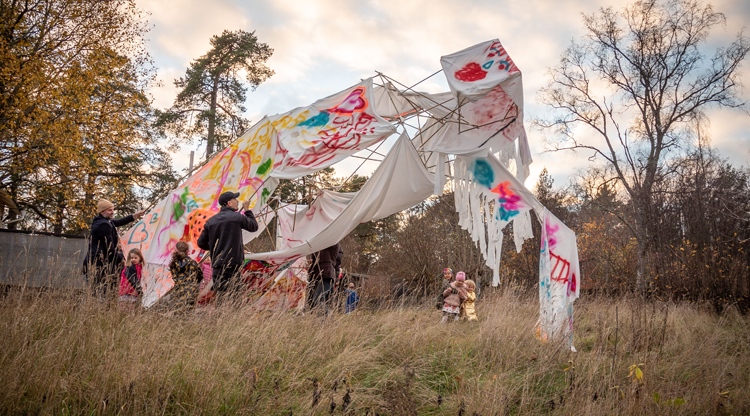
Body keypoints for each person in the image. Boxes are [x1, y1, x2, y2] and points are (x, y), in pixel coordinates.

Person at [196, 191, 258, 298]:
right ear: (229, 203)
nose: (237, 201)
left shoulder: (211, 221)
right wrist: (247, 210)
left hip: (217, 267)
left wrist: (215, 247)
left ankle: (221, 314)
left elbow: (200, 243)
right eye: (235, 199)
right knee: (234, 299)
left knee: (221, 299)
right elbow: (253, 227)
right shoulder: (237, 217)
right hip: (233, 267)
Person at [83, 199, 144, 298]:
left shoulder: (104, 221)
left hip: (98, 264)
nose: (112, 212)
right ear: (102, 212)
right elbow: (110, 250)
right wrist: (122, 260)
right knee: (99, 293)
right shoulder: (103, 225)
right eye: (109, 210)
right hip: (97, 265)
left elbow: (118, 222)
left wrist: (134, 216)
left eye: (112, 209)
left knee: (97, 292)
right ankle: (96, 311)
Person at [169, 241, 203, 314]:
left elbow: (174, 277)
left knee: (178, 312)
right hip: (191, 291)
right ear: (187, 251)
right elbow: (200, 275)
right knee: (189, 312)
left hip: (179, 290)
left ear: (175, 250)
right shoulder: (192, 263)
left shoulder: (173, 263)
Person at [306, 242, 340, 312]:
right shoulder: (316, 247)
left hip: (326, 275)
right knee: (311, 302)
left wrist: (336, 278)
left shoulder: (332, 244)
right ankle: (321, 322)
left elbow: (337, 265)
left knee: (317, 300)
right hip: (316, 276)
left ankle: (332, 322)